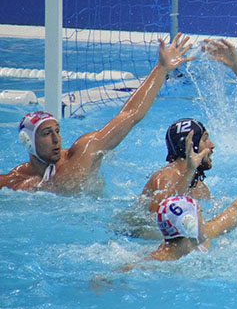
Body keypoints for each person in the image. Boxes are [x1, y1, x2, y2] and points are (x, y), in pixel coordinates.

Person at [0, 34, 194, 195]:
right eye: (46, 133)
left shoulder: (83, 154)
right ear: (28, 141)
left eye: (57, 131)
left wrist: (161, 69)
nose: (56, 139)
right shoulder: (14, 182)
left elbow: (130, 114)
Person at [122, 139, 237, 268]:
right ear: (190, 224)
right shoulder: (150, 266)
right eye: (199, 213)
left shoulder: (196, 237)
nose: (203, 217)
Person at [140, 118, 215, 213]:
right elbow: (158, 214)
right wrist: (190, 170)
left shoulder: (201, 189)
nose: (211, 145)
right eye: (205, 139)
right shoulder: (163, 179)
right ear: (190, 145)